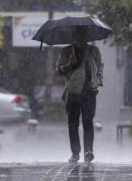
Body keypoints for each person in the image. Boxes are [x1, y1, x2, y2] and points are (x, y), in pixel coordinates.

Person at [56, 26, 104, 163]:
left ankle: (89, 151)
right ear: (74, 36)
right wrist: (68, 64)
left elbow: (100, 69)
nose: (80, 38)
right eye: (78, 35)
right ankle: (75, 153)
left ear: (87, 36)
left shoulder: (94, 51)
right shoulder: (66, 51)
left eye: (83, 35)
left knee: (88, 122)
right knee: (72, 124)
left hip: (89, 92)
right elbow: (58, 70)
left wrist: (97, 83)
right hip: (73, 93)